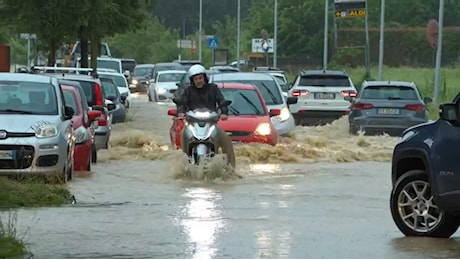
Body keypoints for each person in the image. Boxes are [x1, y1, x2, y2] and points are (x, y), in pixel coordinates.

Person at [176, 64, 236, 169]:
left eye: (200, 78)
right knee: (182, 135)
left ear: (205, 78)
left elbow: (221, 101)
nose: (199, 81)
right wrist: (180, 112)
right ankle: (183, 166)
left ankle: (231, 169)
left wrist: (224, 112)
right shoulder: (188, 91)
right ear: (192, 80)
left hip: (211, 123)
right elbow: (182, 103)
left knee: (227, 140)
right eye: (196, 79)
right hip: (192, 124)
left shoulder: (213, 88)